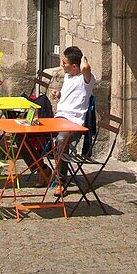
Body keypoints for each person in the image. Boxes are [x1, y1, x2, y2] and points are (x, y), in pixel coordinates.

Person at [50, 46, 95, 196]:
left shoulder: (86, 79)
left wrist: (84, 60)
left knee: (61, 140)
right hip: (59, 118)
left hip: (74, 124)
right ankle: (39, 170)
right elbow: (71, 94)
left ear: (75, 66)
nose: (62, 65)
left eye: (64, 62)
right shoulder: (68, 76)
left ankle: (60, 182)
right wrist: (59, 94)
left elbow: (86, 68)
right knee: (27, 134)